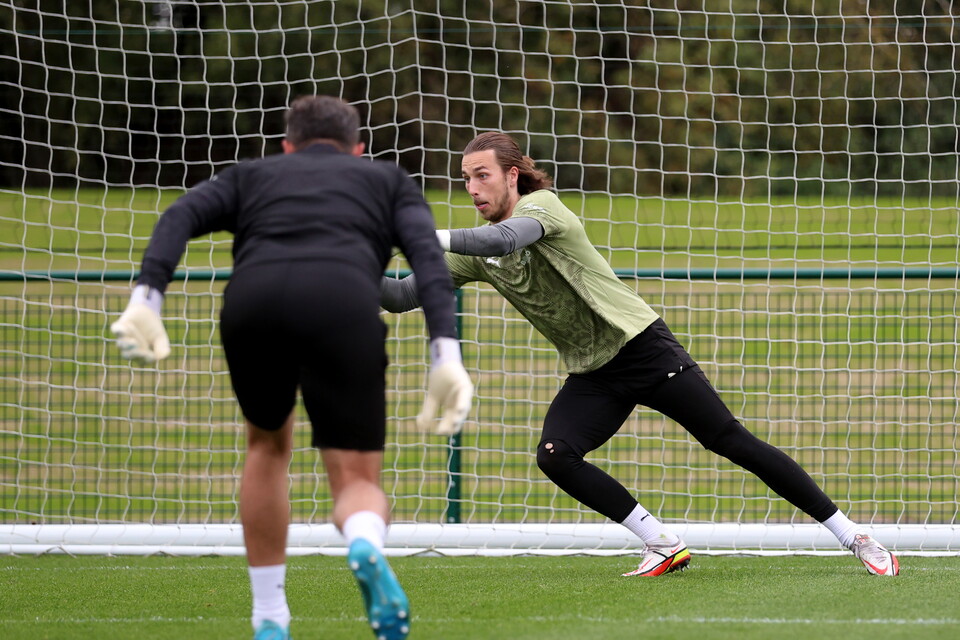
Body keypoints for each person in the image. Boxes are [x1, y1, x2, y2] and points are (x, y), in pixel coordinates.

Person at [380, 131, 899, 578]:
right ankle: (662, 543)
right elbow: (403, 296)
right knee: (556, 454)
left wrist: (417, 234)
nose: (472, 188)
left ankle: (853, 535)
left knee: (729, 440)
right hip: (594, 373)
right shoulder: (472, 252)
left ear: (513, 176)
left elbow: (506, 238)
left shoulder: (542, 208)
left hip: (643, 348)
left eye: (482, 176)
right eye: (465, 179)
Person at [110, 95, 474, 640]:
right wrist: (445, 350)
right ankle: (363, 543)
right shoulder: (387, 180)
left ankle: (270, 617)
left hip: (253, 304)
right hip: (343, 303)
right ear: (358, 149)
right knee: (356, 479)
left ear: (287, 146)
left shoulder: (251, 174)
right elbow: (427, 259)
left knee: (266, 446)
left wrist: (148, 296)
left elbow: (179, 214)